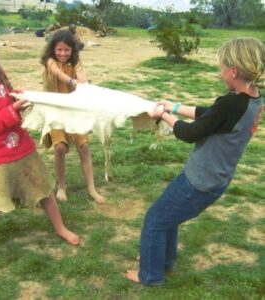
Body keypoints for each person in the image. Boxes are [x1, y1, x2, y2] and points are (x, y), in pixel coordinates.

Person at [125, 37, 265, 285]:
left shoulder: (232, 103)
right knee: (168, 218)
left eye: (223, 66)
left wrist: (164, 115)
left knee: (155, 220)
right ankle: (162, 263)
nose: (221, 72)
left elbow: (189, 133)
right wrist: (175, 106)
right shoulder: (252, 99)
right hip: (215, 179)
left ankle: (150, 275)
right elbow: (211, 115)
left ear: (233, 70)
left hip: (199, 182)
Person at [0, 28, 80, 267]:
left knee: (44, 185)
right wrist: (13, 110)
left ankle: (60, 227)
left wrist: (15, 98)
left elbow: (5, 101)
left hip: (21, 144)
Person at [40, 29, 105, 204]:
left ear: (72, 50)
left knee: (84, 147)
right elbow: (58, 74)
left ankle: (91, 188)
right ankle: (61, 187)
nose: (62, 53)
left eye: (67, 50)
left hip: (74, 109)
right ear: (53, 49)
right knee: (60, 148)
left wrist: (84, 83)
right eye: (59, 50)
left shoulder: (76, 61)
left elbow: (82, 75)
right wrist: (71, 81)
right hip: (55, 110)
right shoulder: (49, 61)